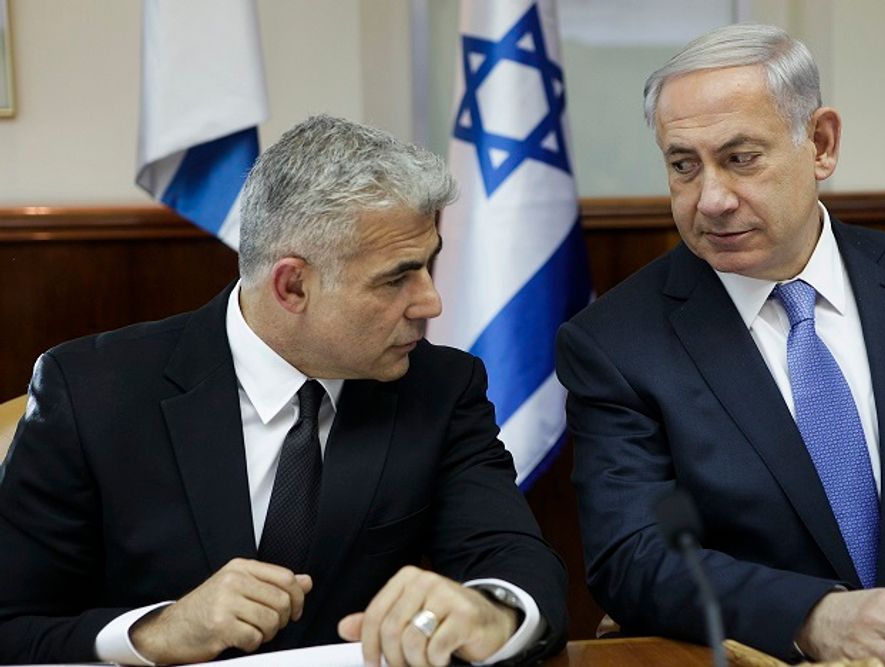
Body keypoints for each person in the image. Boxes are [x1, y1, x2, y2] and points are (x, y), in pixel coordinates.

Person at [0, 115, 567, 667]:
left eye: (428, 267)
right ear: (292, 285)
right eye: (397, 277)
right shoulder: (93, 391)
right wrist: (154, 632)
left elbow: (513, 559)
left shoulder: (440, 388)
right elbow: (14, 628)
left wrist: (490, 613)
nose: (430, 303)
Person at [556, 23, 885, 667]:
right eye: (683, 166)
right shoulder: (617, 342)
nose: (710, 199)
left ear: (820, 144)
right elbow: (633, 557)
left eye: (741, 158)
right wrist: (813, 615)